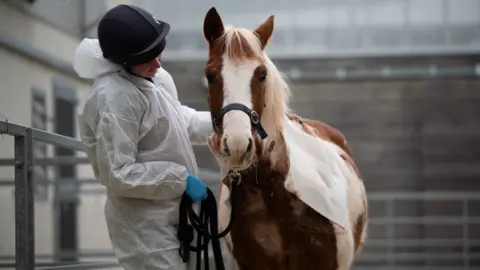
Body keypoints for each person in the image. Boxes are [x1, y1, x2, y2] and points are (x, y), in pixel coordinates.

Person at [73, 4, 213, 270]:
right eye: (148, 57)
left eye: (158, 52)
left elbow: (176, 120)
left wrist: (220, 122)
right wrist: (181, 179)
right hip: (144, 228)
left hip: (174, 213)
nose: (158, 63)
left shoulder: (152, 77)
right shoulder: (114, 97)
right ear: (122, 59)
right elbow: (119, 173)